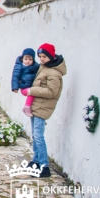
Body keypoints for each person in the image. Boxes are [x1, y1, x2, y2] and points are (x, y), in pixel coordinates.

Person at [23, 43, 66, 178]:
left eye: (44, 56)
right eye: (40, 56)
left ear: (51, 56)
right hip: (36, 105)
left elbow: (52, 92)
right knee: (35, 136)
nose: (41, 59)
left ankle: (44, 165)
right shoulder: (44, 68)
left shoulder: (54, 73)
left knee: (39, 136)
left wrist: (31, 91)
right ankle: (36, 161)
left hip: (43, 107)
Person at [11, 48, 40, 117]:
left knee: (36, 94)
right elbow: (15, 76)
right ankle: (26, 107)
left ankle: (38, 114)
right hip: (24, 87)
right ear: (22, 58)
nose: (28, 61)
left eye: (30, 59)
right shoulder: (19, 66)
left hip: (32, 86)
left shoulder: (36, 66)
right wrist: (15, 87)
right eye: (26, 59)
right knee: (32, 92)